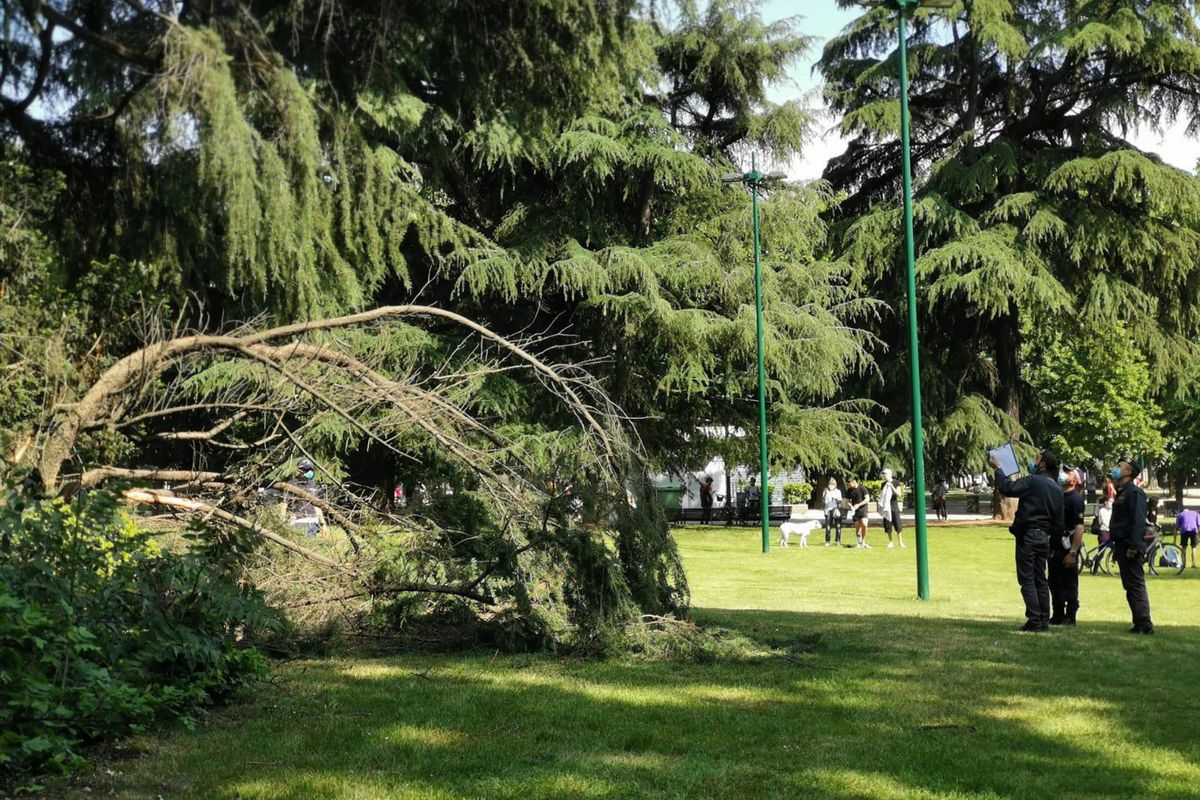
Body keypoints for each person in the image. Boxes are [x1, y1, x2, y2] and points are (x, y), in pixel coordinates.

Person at [991, 448, 1063, 632]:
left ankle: (1034, 620)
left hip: (1029, 535)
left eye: (1037, 458)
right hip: (1044, 538)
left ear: (1043, 463)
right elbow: (1059, 521)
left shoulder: (1033, 481)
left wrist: (999, 469)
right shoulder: (1056, 488)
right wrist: (1053, 544)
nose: (1034, 460)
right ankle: (1043, 620)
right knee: (1041, 579)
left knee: (1027, 579)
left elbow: (1008, 488)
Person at [1108, 457, 1154, 634]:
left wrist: (1134, 546)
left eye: (1119, 466)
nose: (1115, 468)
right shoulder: (1122, 492)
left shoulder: (1134, 493)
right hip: (1122, 544)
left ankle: (1144, 624)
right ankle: (1138, 622)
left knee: (1135, 585)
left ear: (1128, 472)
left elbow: (1137, 522)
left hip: (1130, 545)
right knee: (1129, 586)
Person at [1049, 467, 1085, 625]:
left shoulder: (1075, 500)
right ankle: (1057, 614)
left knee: (1069, 584)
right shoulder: (1058, 497)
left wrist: (1072, 552)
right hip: (1055, 548)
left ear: (1075, 480)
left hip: (1067, 548)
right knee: (1054, 582)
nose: (1063, 474)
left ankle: (1070, 616)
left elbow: (1079, 527)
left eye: (1069, 473)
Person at [287, 458, 324, 536]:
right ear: (300, 470)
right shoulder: (291, 484)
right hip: (298, 522)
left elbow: (317, 506)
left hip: (313, 522)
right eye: (307, 469)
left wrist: (323, 524)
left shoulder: (314, 485)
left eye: (311, 469)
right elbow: (284, 505)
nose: (310, 472)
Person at [879, 468, 905, 549]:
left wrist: (892, 487)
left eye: (885, 474)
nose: (884, 475)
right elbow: (882, 495)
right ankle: (890, 542)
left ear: (890, 474)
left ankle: (900, 542)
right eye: (883, 474)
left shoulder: (896, 482)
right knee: (887, 524)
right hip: (886, 507)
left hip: (893, 506)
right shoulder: (883, 484)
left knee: (897, 524)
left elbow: (899, 494)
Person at [846, 477, 871, 549]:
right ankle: (859, 542)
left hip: (863, 509)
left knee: (864, 524)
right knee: (857, 526)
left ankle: (863, 541)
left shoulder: (862, 488)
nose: (849, 486)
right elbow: (847, 501)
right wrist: (851, 506)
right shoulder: (849, 491)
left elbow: (867, 499)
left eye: (849, 484)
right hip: (855, 511)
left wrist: (859, 505)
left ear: (854, 482)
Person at [822, 478, 843, 546]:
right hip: (828, 510)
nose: (831, 486)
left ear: (835, 485)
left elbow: (840, 501)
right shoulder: (826, 491)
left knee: (838, 526)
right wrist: (824, 495)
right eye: (830, 484)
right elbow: (824, 501)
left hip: (835, 510)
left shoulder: (838, 491)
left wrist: (834, 499)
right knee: (828, 526)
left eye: (833, 484)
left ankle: (838, 540)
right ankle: (827, 541)